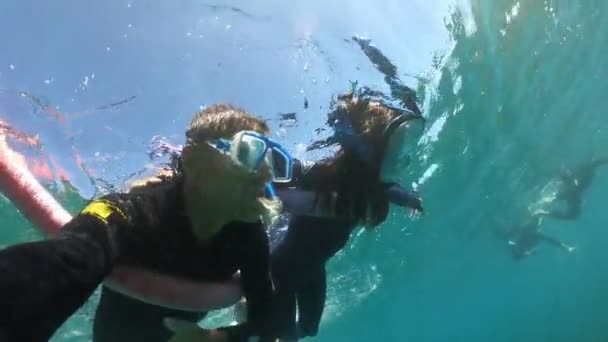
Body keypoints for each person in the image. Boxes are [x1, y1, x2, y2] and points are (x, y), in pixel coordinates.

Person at [0, 104, 297, 341]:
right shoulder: (134, 212)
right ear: (194, 161)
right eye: (249, 153)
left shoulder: (249, 235)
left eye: (274, 163)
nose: (266, 175)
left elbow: (268, 318)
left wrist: (217, 337)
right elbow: (70, 256)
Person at [166, 91, 425, 341]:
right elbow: (283, 176)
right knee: (280, 333)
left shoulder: (372, 186)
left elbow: (388, 189)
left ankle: (246, 317)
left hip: (314, 267)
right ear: (367, 152)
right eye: (395, 152)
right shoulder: (321, 176)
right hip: (282, 270)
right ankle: (223, 328)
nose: (404, 160)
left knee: (309, 330)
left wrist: (411, 199)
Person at [535, 158, 608, 220]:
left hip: (572, 188)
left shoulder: (568, 194)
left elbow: (571, 214)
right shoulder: (575, 189)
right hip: (573, 187)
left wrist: (544, 213)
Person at [506, 215, 575, 259]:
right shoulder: (526, 230)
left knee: (522, 251)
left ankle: (521, 253)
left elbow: (552, 241)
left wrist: (566, 247)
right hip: (521, 248)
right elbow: (552, 241)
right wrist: (566, 247)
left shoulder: (536, 234)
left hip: (522, 249)